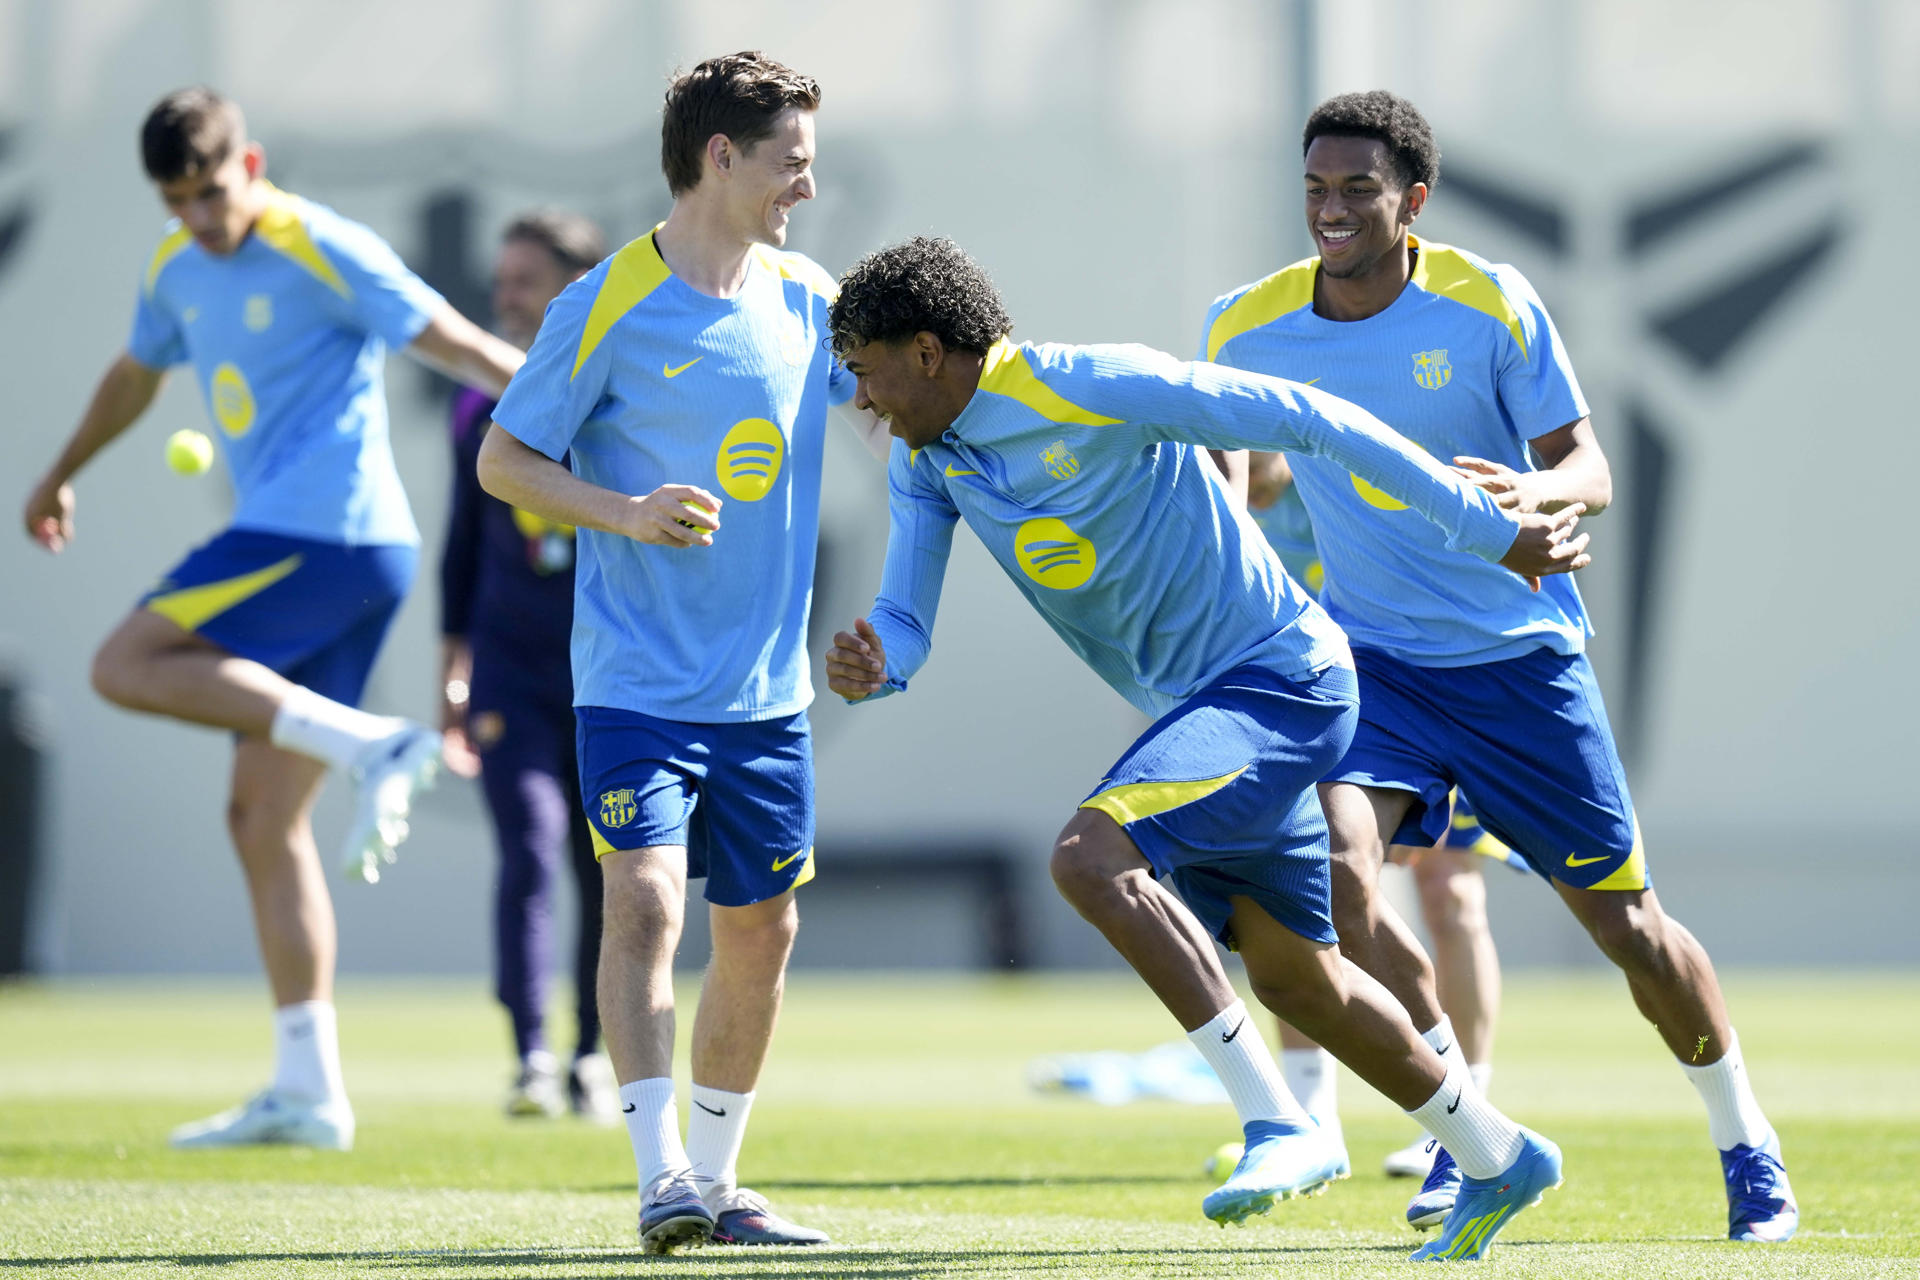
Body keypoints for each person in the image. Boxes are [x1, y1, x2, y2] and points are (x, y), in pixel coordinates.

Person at [821, 234, 1587, 1262]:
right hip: (1206, 707)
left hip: (1285, 674)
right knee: (1298, 979)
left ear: (925, 351)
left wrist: (1489, 532)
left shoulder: (1093, 383)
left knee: (1089, 858)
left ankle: (1279, 1123)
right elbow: (906, 616)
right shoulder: (929, 462)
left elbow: (1313, 418)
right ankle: (1499, 1154)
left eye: (866, 373)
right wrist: (882, 659)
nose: (861, 402)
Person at [1202, 90, 1797, 1244]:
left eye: (1358, 188)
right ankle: (1466, 1130)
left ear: (1412, 199)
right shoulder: (1248, 325)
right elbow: (1241, 464)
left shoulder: (1489, 299)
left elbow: (1588, 464)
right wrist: (1236, 499)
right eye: (1316, 187)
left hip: (1520, 660)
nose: (1331, 209)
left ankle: (1746, 1139)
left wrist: (1539, 491)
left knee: (1630, 929)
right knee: (1329, 874)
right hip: (1370, 660)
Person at [20, 87, 523, 1149]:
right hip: (323, 551)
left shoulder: (320, 242)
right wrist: (63, 468)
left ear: (247, 162)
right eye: (177, 201)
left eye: (210, 191)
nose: (200, 217)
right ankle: (310, 1088)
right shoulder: (174, 264)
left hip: (325, 537)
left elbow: (457, 342)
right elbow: (134, 371)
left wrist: (575, 425)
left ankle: (373, 744)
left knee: (124, 660)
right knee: (260, 815)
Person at [475, 52, 888, 1254]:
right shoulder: (602, 301)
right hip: (637, 684)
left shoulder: (810, 300)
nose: (803, 188)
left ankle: (721, 1179)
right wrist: (627, 510)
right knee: (647, 898)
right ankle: (659, 1176)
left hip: (767, 693)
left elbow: (905, 428)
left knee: (762, 928)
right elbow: (505, 461)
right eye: (791, 164)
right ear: (721, 156)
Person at [1237, 455, 1513, 1189]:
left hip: (1422, 696)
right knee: (1307, 891)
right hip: (1323, 716)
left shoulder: (1347, 465)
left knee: (1453, 895)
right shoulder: (1227, 501)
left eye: (1240, 451)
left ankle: (1467, 1114)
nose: (1232, 469)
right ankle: (1311, 1116)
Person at [440, 209, 618, 1122]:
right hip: (509, 672)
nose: (505, 294)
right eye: (502, 277)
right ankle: (530, 1058)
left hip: (605, 678)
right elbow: (462, 549)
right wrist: (451, 674)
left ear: (575, 291)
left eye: (524, 278)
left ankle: (593, 1052)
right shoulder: (477, 406)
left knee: (606, 868)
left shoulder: (618, 397)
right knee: (531, 848)